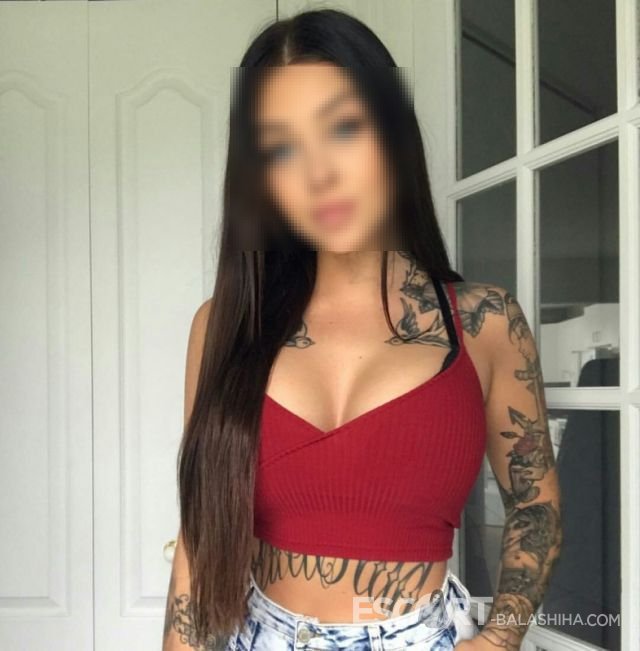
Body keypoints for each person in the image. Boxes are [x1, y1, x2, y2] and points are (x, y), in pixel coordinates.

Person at [162, 8, 562, 651]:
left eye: (343, 128)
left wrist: (501, 636)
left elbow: (535, 504)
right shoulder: (224, 326)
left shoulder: (485, 323)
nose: (319, 174)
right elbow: (201, 526)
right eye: (282, 148)